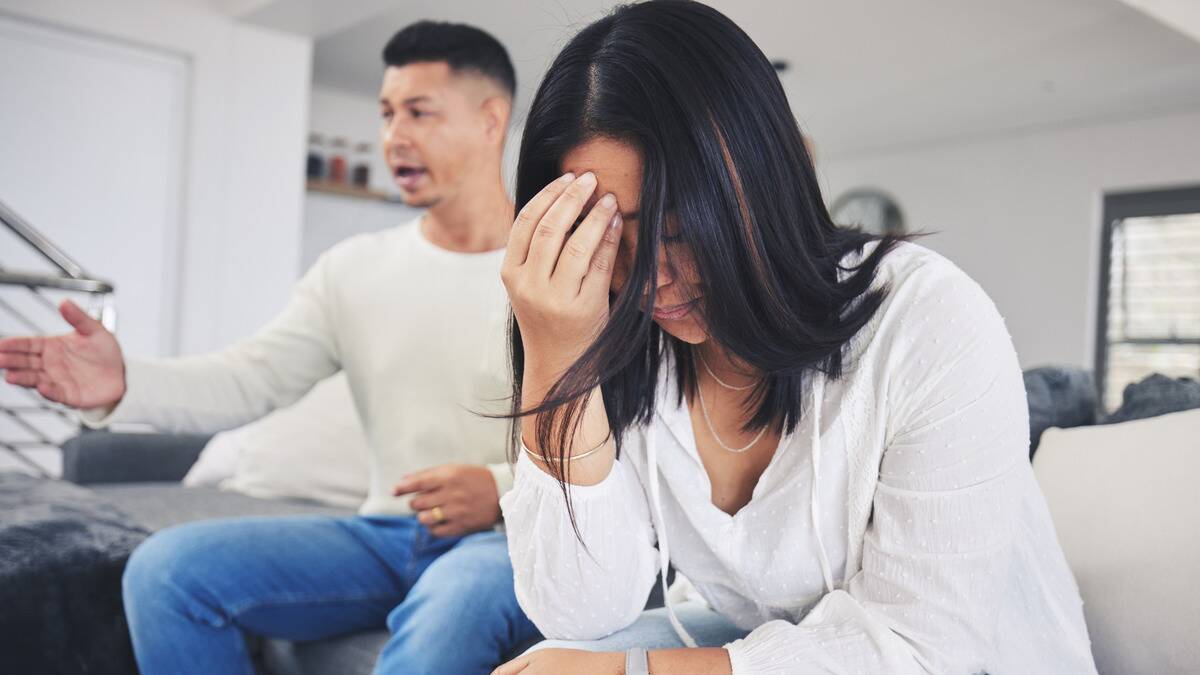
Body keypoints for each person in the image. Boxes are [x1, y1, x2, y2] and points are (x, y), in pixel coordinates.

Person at [491, 2, 1096, 674]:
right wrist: (558, 357)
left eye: (678, 230)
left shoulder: (931, 321)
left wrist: (630, 670)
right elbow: (579, 608)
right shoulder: (619, 334)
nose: (645, 282)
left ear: (761, 181)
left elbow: (926, 650)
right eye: (607, 242)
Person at [0, 21, 540, 675]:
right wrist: (124, 383)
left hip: (509, 540)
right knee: (167, 573)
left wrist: (502, 489)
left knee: (452, 607)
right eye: (387, 113)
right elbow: (250, 377)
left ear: (491, 120)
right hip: (386, 533)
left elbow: (620, 437)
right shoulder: (353, 268)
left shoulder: (552, 266)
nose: (395, 136)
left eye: (420, 113)